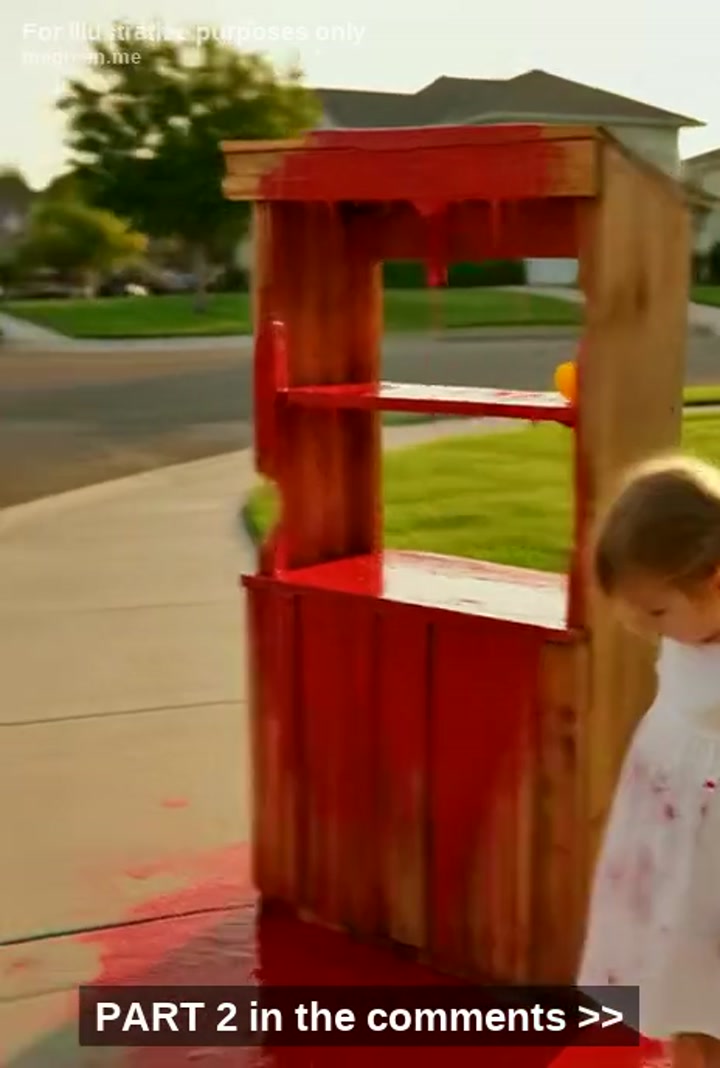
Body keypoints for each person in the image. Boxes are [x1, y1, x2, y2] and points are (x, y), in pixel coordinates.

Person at [578, 454, 720, 1068]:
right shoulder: (691, 631)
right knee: (674, 975)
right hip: (673, 838)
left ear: (715, 578)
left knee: (700, 985)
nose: (643, 627)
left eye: (656, 612)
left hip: (710, 850)